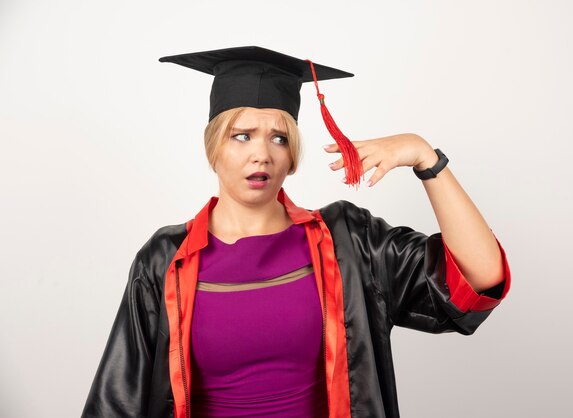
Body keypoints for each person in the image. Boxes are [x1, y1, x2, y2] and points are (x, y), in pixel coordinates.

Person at [82, 46, 511, 418]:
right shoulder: (165, 260)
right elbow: (118, 401)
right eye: (242, 136)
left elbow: (480, 275)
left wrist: (425, 157)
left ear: (292, 156)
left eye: (279, 139)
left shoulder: (349, 242)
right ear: (213, 147)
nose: (261, 154)